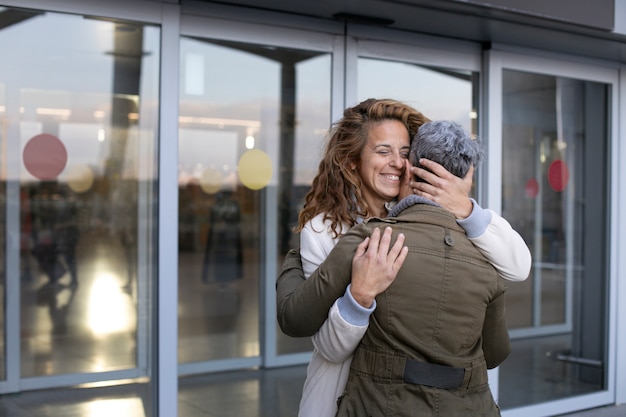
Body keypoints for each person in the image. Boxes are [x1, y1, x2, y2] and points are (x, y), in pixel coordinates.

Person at [276, 99, 531, 417]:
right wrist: (359, 295)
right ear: (353, 161)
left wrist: (465, 208)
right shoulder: (326, 231)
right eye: (383, 151)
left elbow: (518, 267)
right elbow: (329, 348)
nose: (396, 163)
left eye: (404, 152)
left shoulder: (446, 220)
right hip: (341, 398)